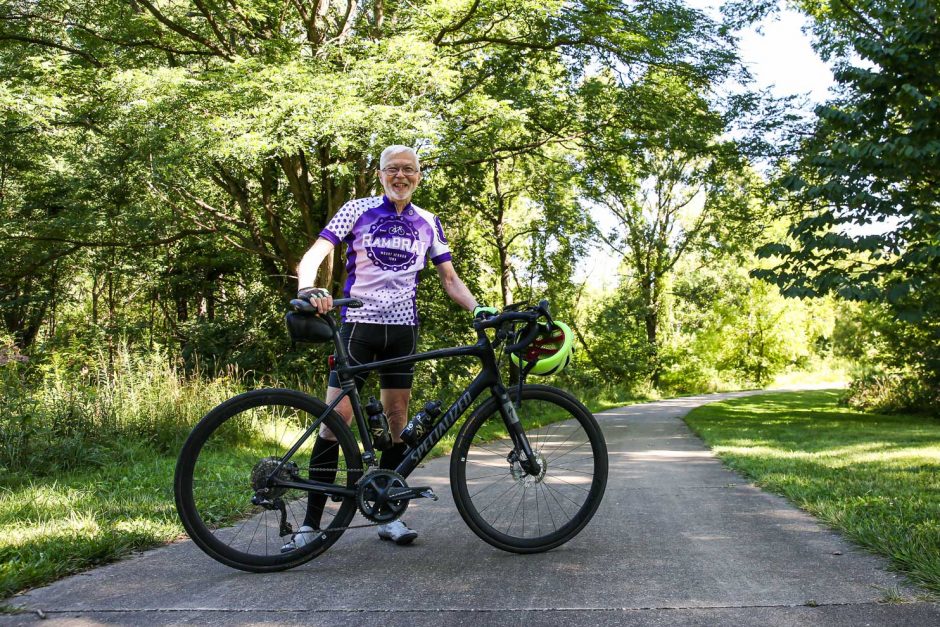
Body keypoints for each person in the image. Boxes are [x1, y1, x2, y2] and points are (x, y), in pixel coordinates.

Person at [286, 145, 493, 549]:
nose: (401, 176)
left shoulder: (428, 221)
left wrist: (479, 308)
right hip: (358, 327)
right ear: (379, 174)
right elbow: (312, 257)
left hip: (402, 330)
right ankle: (310, 526)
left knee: (398, 420)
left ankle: (389, 514)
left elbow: (450, 280)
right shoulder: (357, 209)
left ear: (419, 175)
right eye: (393, 169)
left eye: (409, 170)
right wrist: (309, 290)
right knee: (334, 421)